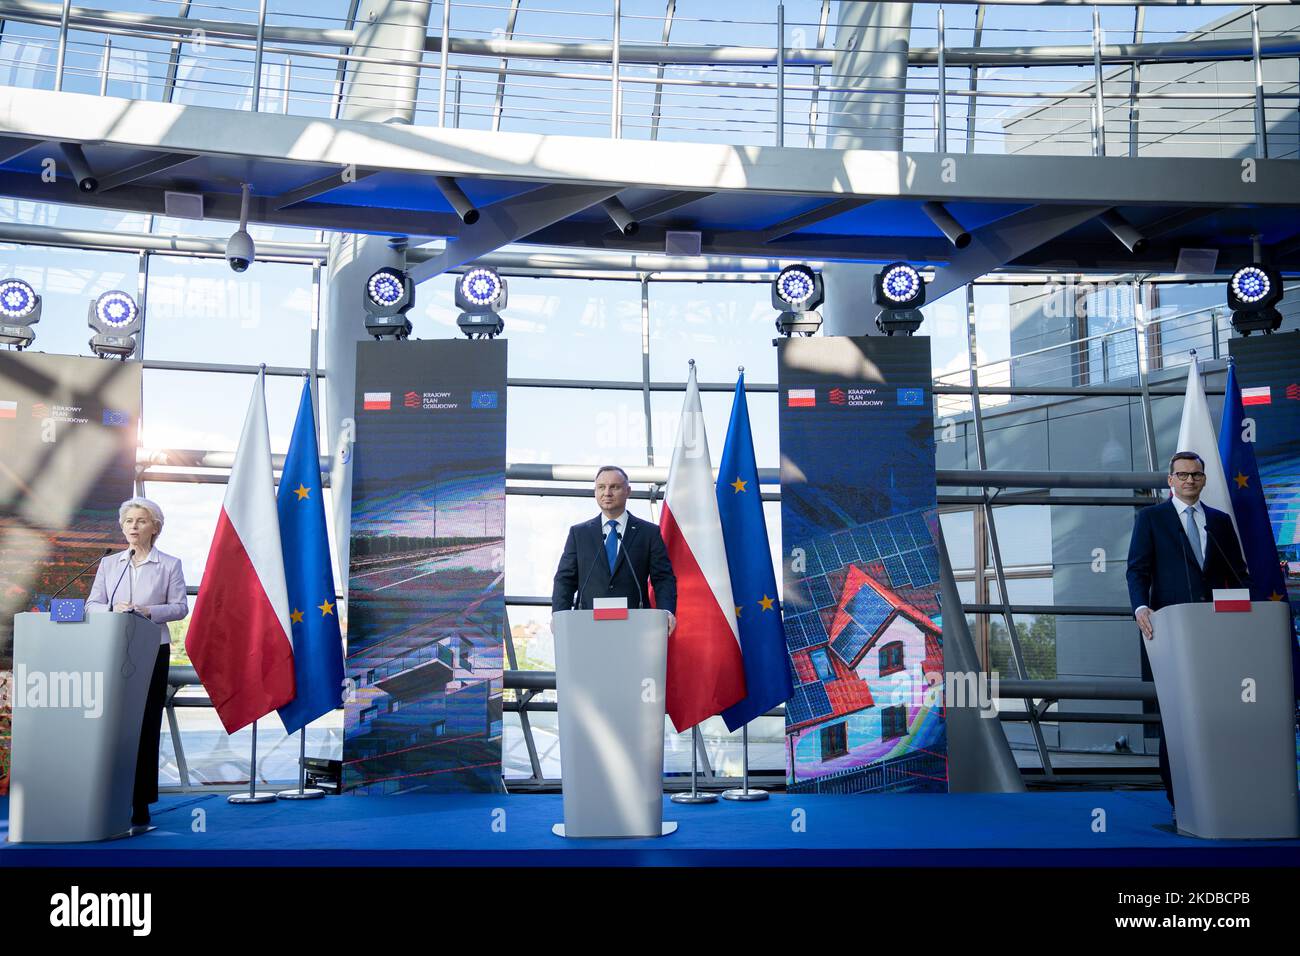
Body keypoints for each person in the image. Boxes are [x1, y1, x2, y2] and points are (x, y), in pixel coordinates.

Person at [1126, 450, 1249, 822]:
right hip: (1172, 633)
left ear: (1204, 479)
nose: (1189, 481)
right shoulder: (1151, 519)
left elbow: (1237, 574)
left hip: (1217, 634)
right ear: (1170, 480)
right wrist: (1140, 608)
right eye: (1182, 475)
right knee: (1177, 716)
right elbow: (1137, 571)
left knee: (1216, 710)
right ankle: (1180, 796)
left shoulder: (1221, 522)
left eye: (1196, 475)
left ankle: (1221, 791)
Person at [85, 497, 188, 830]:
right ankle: (106, 797)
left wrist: (147, 611)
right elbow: (92, 604)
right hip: (111, 649)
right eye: (128, 521)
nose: (133, 526)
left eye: (140, 521)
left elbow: (179, 608)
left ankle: (140, 803)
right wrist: (112, 611)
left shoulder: (169, 564)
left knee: (144, 726)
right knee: (112, 726)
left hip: (151, 650)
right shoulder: (109, 564)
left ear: (154, 527)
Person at [551, 465, 677, 632]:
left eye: (614, 487)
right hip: (587, 627)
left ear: (628, 491)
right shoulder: (579, 533)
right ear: (595, 491)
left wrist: (667, 611)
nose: (607, 493)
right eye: (601, 487)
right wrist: (559, 615)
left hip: (636, 627)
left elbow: (662, 578)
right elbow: (565, 579)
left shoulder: (648, 533)